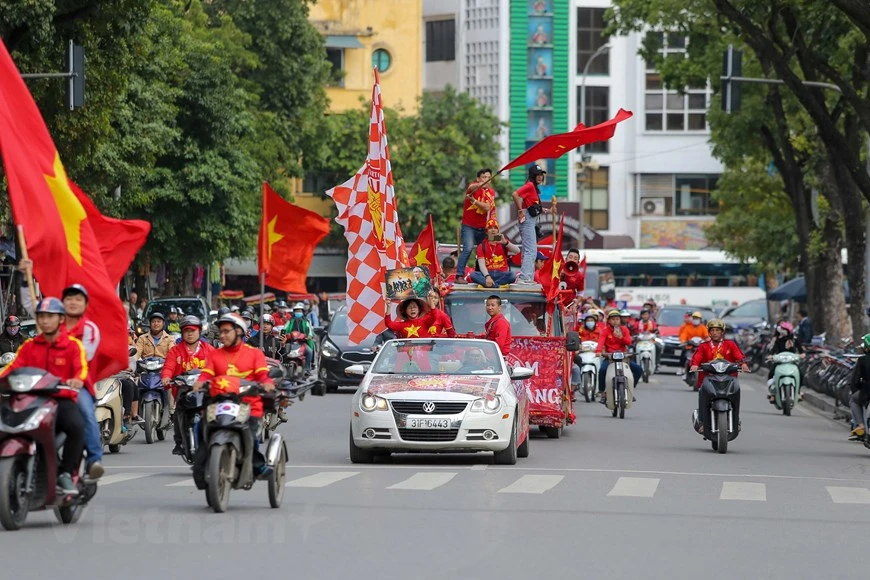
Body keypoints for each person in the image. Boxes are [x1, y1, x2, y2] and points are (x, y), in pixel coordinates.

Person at [0, 297, 88, 494]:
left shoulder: (72, 345)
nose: (45, 321)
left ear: (60, 319)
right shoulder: (29, 346)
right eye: (42, 316)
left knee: (77, 426)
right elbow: (12, 368)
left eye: (50, 316)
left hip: (61, 399)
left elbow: (81, 370)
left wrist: (77, 380)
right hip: (30, 399)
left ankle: (65, 473)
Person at [194, 314, 275, 479]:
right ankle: (200, 464)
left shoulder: (254, 354)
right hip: (218, 403)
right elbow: (206, 375)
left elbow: (262, 376)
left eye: (226, 331)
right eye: (220, 332)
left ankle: (257, 464)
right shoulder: (215, 354)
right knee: (199, 426)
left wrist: (267, 384)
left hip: (248, 405)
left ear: (238, 331)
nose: (222, 335)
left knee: (251, 433)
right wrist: (199, 383)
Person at [61, 284, 104, 480]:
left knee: (86, 413)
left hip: (78, 385)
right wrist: (27, 280)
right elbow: (32, 305)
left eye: (78, 299)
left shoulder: (90, 329)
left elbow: (82, 357)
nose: (73, 302)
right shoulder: (53, 323)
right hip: (46, 384)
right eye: (69, 298)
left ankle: (94, 460)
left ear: (86, 304)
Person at [161, 315, 214, 455]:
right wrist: (166, 377)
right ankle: (179, 441)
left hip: (205, 388)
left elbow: (219, 367)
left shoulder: (209, 350)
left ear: (199, 331)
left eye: (193, 330)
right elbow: (168, 367)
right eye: (186, 331)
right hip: (184, 388)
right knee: (179, 410)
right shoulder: (175, 350)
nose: (190, 334)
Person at [690, 319, 749, 434]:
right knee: (702, 395)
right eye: (712, 330)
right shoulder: (704, 346)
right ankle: (702, 421)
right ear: (709, 332)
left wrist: (744, 364)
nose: (715, 333)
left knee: (736, 393)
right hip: (709, 379)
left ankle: (736, 421)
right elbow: (697, 357)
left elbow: (739, 356)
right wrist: (694, 365)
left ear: (722, 332)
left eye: (717, 330)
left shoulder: (730, 344)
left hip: (728, 379)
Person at [512, 165, 552, 283]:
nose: (540, 177)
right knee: (531, 250)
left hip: (530, 218)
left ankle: (526, 276)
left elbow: (531, 205)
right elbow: (515, 194)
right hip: (527, 219)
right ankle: (525, 277)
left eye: (541, 175)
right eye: (537, 175)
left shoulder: (533, 188)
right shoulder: (529, 185)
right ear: (532, 176)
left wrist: (545, 210)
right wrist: (519, 211)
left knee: (528, 249)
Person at [456, 168, 497, 283]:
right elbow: (471, 188)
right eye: (484, 177)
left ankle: (481, 275)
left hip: (483, 227)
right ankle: (459, 275)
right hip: (468, 226)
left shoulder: (491, 192)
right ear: (478, 179)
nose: (487, 180)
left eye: (489, 177)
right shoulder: (472, 188)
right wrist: (479, 185)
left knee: (485, 249)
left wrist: (474, 201)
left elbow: (487, 207)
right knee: (468, 248)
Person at [596, 309, 643, 402]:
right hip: (610, 357)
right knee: (602, 371)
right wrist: (598, 351)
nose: (615, 321)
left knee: (638, 369)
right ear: (609, 320)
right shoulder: (605, 331)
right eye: (613, 319)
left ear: (620, 320)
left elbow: (629, 342)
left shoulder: (624, 329)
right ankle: (603, 392)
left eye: (617, 319)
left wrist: (621, 337)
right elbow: (601, 342)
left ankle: (630, 389)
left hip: (623, 357)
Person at [469, 219, 521, 287]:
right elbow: (481, 264)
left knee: (512, 276)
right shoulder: (481, 246)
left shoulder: (503, 242)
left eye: (495, 228)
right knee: (473, 275)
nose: (493, 230)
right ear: (487, 231)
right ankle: (496, 285)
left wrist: (506, 243)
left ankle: (491, 285)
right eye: (490, 228)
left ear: (498, 231)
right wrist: (487, 276)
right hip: (488, 273)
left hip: (501, 273)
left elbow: (517, 251)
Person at [766, 321, 802, 402]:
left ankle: (798, 392)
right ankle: (772, 393)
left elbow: (801, 351)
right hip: (779, 362)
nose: (781, 330)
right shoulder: (779, 340)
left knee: (800, 374)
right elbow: (774, 350)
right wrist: (771, 355)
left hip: (792, 362)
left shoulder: (795, 340)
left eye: (783, 329)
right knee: (771, 373)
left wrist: (802, 355)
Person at [848, 334, 870, 440]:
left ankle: (861, 425)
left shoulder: (863, 360)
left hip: (867, 392)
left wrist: (856, 390)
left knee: (854, 400)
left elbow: (854, 381)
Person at [282, 302, 316, 369]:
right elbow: (284, 328)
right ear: (294, 312)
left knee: (309, 351)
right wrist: (282, 334)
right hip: (290, 341)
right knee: (283, 350)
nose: (298, 312)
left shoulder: (306, 321)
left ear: (302, 312)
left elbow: (310, 331)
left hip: (302, 342)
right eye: (297, 311)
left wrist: (309, 336)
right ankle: (283, 366)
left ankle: (307, 368)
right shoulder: (290, 321)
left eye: (300, 311)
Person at [677, 311, 709, 376]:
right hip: (690, 346)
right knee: (684, 354)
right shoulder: (687, 327)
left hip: (700, 347)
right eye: (694, 318)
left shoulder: (703, 327)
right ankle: (682, 368)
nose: (695, 320)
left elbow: (707, 336)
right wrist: (683, 341)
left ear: (700, 319)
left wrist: (707, 340)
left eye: (697, 318)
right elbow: (683, 335)